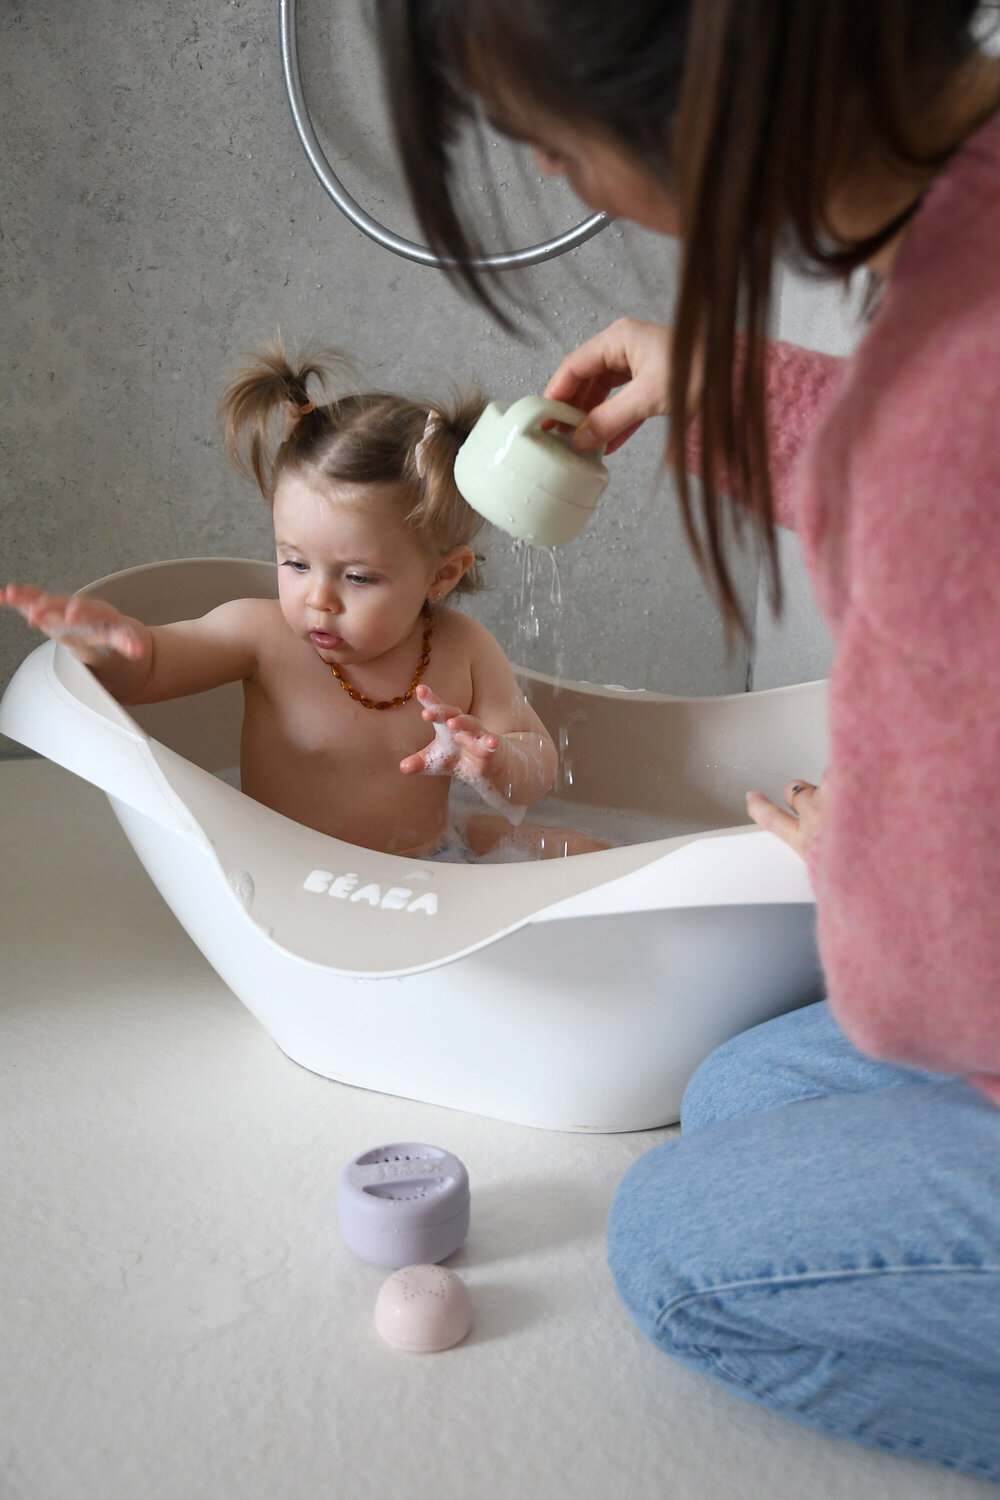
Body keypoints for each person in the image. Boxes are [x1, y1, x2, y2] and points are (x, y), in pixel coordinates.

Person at [372, 0, 1000, 1479]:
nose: (548, 176)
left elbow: (920, 991)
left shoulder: (947, 412)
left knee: (671, 1248)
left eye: (543, 138)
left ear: (705, 92)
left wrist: (868, 859)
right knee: (731, 1094)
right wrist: (727, 381)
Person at [2, 343, 604, 862]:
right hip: (293, 879)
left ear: (441, 576)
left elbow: (537, 764)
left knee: (584, 851)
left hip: (428, 862)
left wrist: (494, 762)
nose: (317, 599)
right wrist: (110, 644)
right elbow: (150, 669)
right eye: (294, 563)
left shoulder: (463, 649)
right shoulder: (259, 636)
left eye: (359, 578)